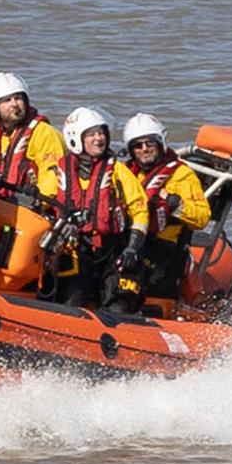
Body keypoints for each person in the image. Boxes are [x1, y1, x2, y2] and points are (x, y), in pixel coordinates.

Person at [37, 107, 150, 313]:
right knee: (69, 303)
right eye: (91, 134)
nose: (99, 139)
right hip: (74, 252)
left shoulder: (118, 171)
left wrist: (132, 248)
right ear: (76, 139)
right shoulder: (58, 172)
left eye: (101, 133)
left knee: (119, 304)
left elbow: (140, 211)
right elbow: (40, 204)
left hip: (114, 251)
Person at [122, 113, 212, 299]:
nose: (144, 149)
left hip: (163, 246)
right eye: (138, 146)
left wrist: (174, 203)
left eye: (150, 143)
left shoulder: (181, 175)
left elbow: (202, 217)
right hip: (130, 239)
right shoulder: (125, 174)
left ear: (161, 143)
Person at [0, 72, 65, 199]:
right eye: (7, 100)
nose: (14, 104)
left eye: (18, 98)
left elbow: (53, 174)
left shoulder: (44, 132)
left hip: (30, 204)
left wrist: (41, 202)